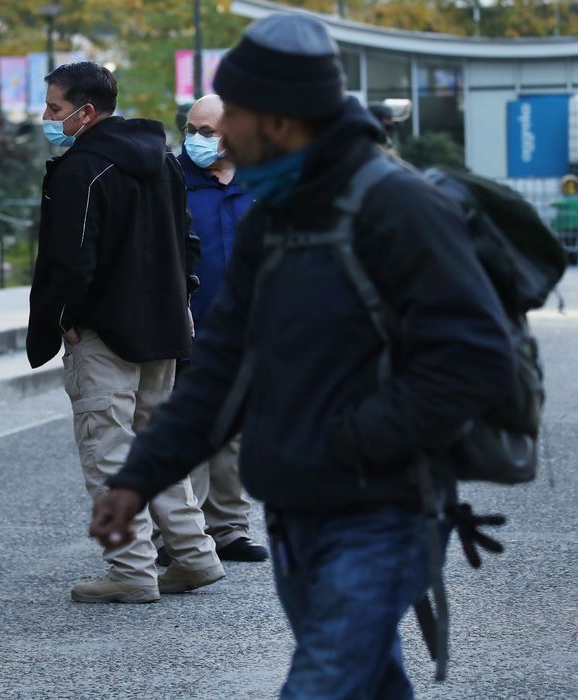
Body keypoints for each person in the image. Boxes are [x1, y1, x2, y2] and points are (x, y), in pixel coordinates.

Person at [90, 14, 513, 696]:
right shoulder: (274, 218)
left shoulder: (398, 207)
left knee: (321, 683)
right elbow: (222, 365)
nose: (217, 135)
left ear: (279, 123)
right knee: (367, 680)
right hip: (295, 511)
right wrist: (138, 478)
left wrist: (349, 442)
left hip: (384, 510)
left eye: (232, 118)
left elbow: (475, 359)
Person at [27, 61, 221, 604]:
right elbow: (186, 237)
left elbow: (71, 258)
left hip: (104, 330)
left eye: (55, 108)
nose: (47, 117)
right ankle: (195, 556)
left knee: (109, 452)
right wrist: (183, 297)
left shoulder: (81, 170)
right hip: (161, 324)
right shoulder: (160, 158)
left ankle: (132, 570)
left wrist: (61, 317)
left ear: (85, 112)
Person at [175, 94, 267, 564]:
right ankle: (181, 536)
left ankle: (228, 528)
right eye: (190, 129)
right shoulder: (174, 180)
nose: (194, 139)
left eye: (206, 132)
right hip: (187, 325)